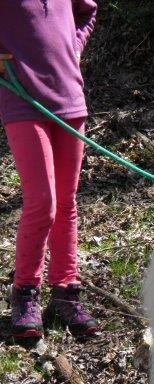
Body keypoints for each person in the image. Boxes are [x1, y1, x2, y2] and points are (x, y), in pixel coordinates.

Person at [0, 0, 99, 339]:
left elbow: (87, 11)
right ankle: (25, 292)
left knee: (67, 202)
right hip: (22, 100)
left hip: (69, 97)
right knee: (43, 201)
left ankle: (65, 292)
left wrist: (74, 47)